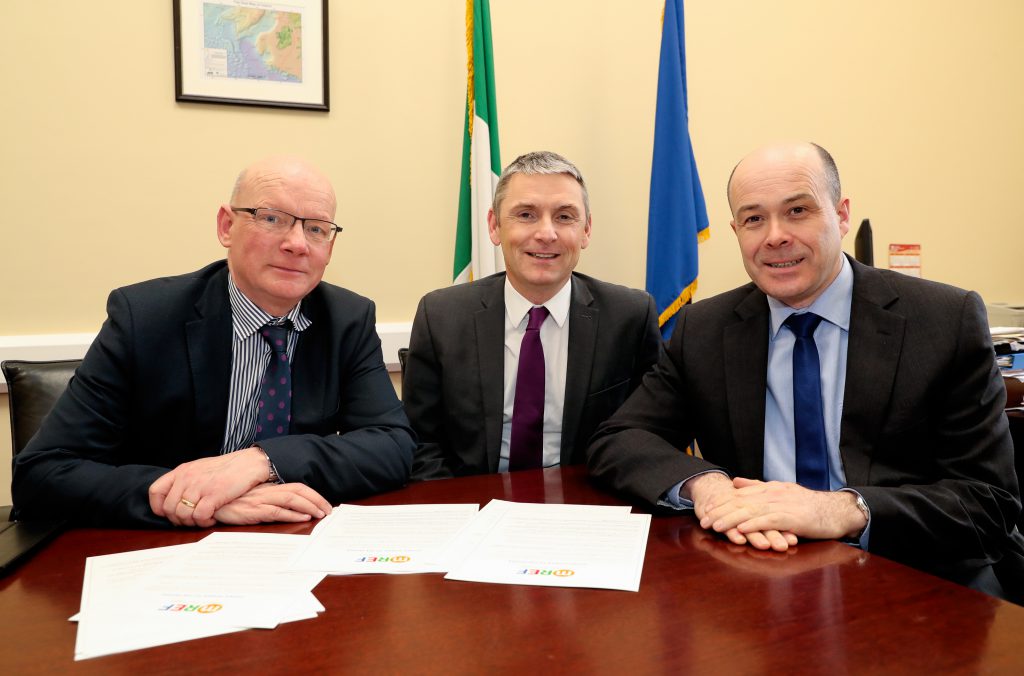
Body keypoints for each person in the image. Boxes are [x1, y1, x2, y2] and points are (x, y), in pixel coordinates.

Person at [587, 141, 1024, 598]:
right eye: (754, 219)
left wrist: (839, 510)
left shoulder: (944, 320)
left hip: (917, 578)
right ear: (736, 231)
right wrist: (707, 485)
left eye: (797, 211)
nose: (775, 236)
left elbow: (988, 503)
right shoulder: (706, 329)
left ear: (841, 214)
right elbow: (620, 438)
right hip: (760, 572)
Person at [12, 156, 414, 528]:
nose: (297, 243)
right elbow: (42, 473)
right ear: (226, 226)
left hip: (294, 543)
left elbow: (392, 445)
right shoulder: (144, 318)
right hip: (162, 549)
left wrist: (263, 461)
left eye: (316, 229)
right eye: (271, 218)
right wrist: (203, 500)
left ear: (330, 246)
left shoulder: (347, 319)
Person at [404, 151, 660, 480]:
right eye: (526, 215)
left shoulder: (630, 317)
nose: (546, 233)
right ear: (494, 226)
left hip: (590, 498)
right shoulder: (441, 317)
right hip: (474, 497)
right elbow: (421, 444)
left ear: (586, 230)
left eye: (564, 216)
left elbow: (649, 434)